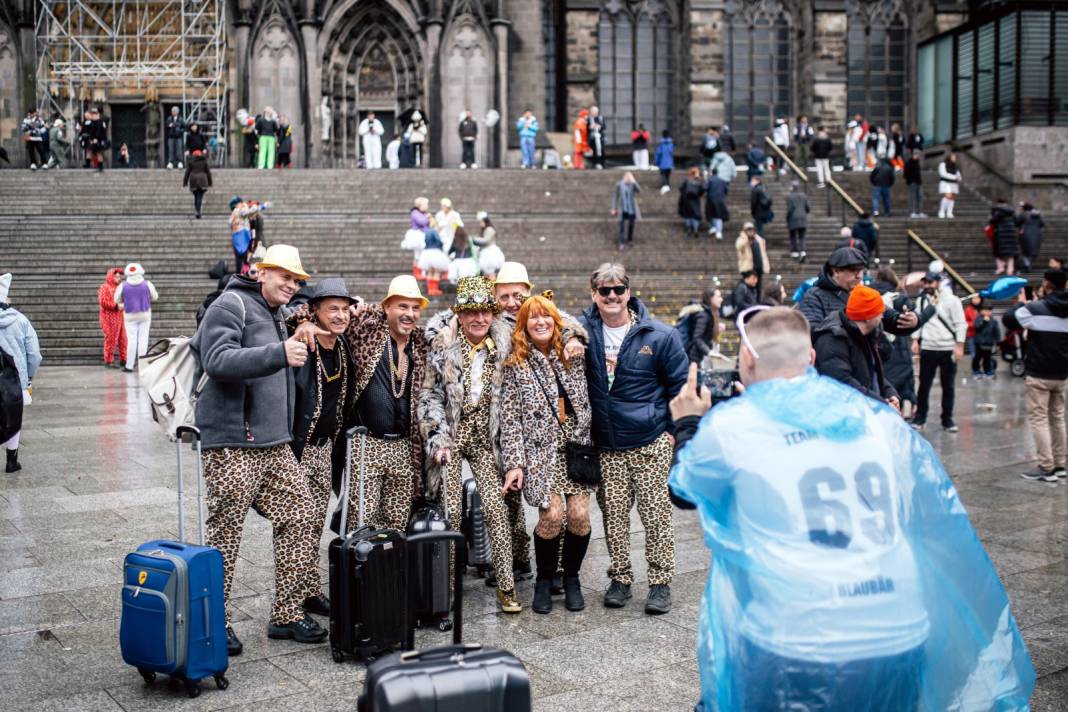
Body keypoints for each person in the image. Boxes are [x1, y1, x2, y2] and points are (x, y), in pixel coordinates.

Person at [667, 307, 1035, 712]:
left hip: (797, 636)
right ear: (810, 358)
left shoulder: (735, 425)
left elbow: (685, 490)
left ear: (748, 359)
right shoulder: (875, 417)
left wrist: (687, 422)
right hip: (901, 624)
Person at [191, 245, 326, 654]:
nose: (291, 284)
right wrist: (278, 353)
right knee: (225, 535)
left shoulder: (279, 312)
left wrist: (300, 326)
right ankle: (215, 621)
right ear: (260, 271)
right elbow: (216, 360)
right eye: (283, 275)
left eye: (296, 279)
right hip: (232, 442)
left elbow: (309, 312)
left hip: (274, 443)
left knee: (301, 514)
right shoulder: (229, 304)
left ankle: (285, 613)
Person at [579, 263, 688, 614]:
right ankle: (621, 578)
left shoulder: (658, 335)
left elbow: (680, 386)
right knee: (613, 517)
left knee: (655, 515)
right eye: (604, 291)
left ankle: (660, 583)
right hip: (607, 444)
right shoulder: (581, 332)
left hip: (649, 441)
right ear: (593, 294)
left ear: (629, 292)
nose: (612, 296)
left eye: (618, 290)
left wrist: (673, 430)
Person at [419, 276, 523, 613]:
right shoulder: (442, 346)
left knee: (495, 509)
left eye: (484, 312)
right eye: (471, 313)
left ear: (493, 313)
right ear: (460, 315)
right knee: (448, 514)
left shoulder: (505, 344)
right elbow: (429, 395)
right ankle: (446, 589)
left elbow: (552, 320)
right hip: (452, 433)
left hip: (484, 437)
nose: (478, 319)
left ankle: (506, 586)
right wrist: (438, 439)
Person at [295, 275, 430, 534]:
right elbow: (310, 308)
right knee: (361, 523)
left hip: (404, 448)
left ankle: (388, 574)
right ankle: (358, 574)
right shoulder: (364, 327)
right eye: (402, 306)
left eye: (415, 308)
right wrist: (304, 323)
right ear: (386, 307)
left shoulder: (423, 342)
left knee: (396, 525)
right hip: (366, 444)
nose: (409, 314)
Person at [500, 295, 594, 614]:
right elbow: (510, 419)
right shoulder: (517, 363)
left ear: (556, 321)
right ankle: (544, 579)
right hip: (541, 455)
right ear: (523, 325)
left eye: (547, 317)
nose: (540, 322)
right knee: (552, 516)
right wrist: (515, 464)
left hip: (576, 449)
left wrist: (574, 338)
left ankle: (571, 579)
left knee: (579, 517)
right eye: (533, 318)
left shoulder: (572, 352)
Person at [287, 279, 355, 617]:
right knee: (297, 524)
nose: (340, 315)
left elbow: (372, 313)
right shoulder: (301, 340)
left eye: (344, 309)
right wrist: (301, 321)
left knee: (314, 523)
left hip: (327, 448)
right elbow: (286, 312)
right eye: (333, 309)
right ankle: (288, 602)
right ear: (315, 311)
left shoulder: (343, 345)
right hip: (299, 448)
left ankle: (309, 589)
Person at [1003, 270, 1068, 482]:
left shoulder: (1035, 309)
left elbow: (1009, 320)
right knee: (1057, 417)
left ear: (1047, 284)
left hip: (1039, 373)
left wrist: (1022, 303)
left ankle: (1046, 466)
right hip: (1061, 373)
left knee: (1039, 418)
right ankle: (1059, 464)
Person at [798, 245, 919, 338]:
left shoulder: (863, 292)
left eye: (861, 271)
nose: (859, 276)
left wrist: (911, 321)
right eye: (853, 271)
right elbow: (812, 331)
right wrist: (855, 326)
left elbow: (890, 319)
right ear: (835, 271)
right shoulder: (814, 295)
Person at [814, 285, 900, 408]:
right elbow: (842, 383)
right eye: (879, 312)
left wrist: (889, 392)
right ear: (867, 317)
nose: (882, 316)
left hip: (863, 410)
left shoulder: (868, 333)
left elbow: (872, 371)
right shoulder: (833, 338)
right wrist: (882, 404)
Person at [911, 271, 967, 432]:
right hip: (928, 347)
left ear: (938, 282)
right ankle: (920, 417)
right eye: (925, 283)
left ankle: (947, 419)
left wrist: (960, 345)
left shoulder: (952, 300)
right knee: (924, 385)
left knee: (948, 385)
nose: (927, 285)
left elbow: (960, 323)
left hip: (947, 348)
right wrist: (915, 339)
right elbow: (919, 321)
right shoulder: (922, 300)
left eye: (930, 282)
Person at [0, 274, 41, 473]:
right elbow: (34, 355)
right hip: (14, 381)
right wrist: (29, 377)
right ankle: (11, 460)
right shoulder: (21, 320)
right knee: (13, 418)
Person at [114, 263, 158, 373]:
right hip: (144, 314)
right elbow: (155, 297)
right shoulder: (147, 284)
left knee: (131, 341)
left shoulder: (123, 285)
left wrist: (125, 301)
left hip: (129, 315)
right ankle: (142, 365)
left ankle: (129, 365)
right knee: (143, 340)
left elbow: (116, 300)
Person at [229, 197, 269, 275]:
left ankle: (241, 273)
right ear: (237, 204)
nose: (243, 204)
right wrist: (263, 206)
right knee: (244, 257)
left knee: (240, 258)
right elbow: (250, 211)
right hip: (242, 237)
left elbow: (230, 222)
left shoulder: (234, 213)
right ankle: (242, 273)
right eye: (241, 203)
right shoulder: (239, 211)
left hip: (237, 237)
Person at [97, 267, 127, 368]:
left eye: (119, 276)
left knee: (123, 339)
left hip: (120, 316)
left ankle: (124, 359)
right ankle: (108, 361)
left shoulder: (121, 287)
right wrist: (116, 306)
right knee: (111, 338)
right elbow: (103, 302)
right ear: (111, 277)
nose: (119, 278)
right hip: (108, 317)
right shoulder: (104, 287)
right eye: (116, 276)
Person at [684, 287, 722, 364]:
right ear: (710, 298)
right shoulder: (703, 315)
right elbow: (697, 337)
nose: (721, 299)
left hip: (697, 357)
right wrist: (708, 352)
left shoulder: (709, 313)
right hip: (693, 358)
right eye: (718, 297)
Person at [735, 222, 770, 297]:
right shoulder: (741, 240)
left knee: (758, 288)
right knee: (748, 287)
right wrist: (746, 239)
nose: (750, 231)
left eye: (752, 229)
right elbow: (739, 246)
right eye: (748, 229)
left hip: (758, 267)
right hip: (748, 268)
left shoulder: (758, 240)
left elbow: (763, 251)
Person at [611, 171, 641, 251]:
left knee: (631, 224)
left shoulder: (632, 184)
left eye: (629, 177)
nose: (628, 178)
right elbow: (615, 196)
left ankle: (630, 239)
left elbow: (639, 190)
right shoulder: (619, 184)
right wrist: (614, 208)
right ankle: (621, 242)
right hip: (622, 208)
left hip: (631, 209)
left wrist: (634, 181)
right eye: (627, 177)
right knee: (621, 226)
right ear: (624, 177)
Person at [971, 301, 1000, 379]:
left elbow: (996, 332)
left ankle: (988, 371)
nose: (987, 312)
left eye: (989, 310)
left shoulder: (994, 321)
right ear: (981, 310)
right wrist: (984, 322)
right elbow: (977, 328)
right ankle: (976, 371)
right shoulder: (978, 318)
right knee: (977, 357)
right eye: (985, 310)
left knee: (987, 358)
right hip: (979, 343)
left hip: (988, 343)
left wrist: (997, 343)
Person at [989, 198, 1018, 276]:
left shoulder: (998, 211)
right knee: (1010, 253)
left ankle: (1000, 267)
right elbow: (1016, 221)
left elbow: (992, 221)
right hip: (1011, 234)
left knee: (998, 252)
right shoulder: (1011, 211)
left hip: (1000, 234)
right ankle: (1010, 269)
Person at [183, 149, 213, 219]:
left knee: (196, 197)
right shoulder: (204, 161)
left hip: (193, 180)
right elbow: (208, 172)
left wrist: (185, 182)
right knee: (200, 196)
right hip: (202, 180)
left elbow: (187, 172)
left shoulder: (191, 161)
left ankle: (197, 210)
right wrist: (210, 182)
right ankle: (198, 211)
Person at [1016, 203, 1045, 273]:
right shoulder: (1038, 215)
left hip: (1025, 235)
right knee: (1033, 251)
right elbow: (1042, 224)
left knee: (1025, 251)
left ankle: (1027, 265)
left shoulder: (1023, 214)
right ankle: (1028, 264)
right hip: (1036, 234)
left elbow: (1016, 222)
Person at [474, 211, 505, 278]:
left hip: (490, 253)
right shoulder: (485, 230)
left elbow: (486, 240)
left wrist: (474, 240)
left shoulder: (490, 229)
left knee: (491, 274)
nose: (480, 224)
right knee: (486, 275)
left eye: (481, 222)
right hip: (485, 253)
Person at [785, 181, 809, 261]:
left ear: (792, 187)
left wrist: (787, 218)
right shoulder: (803, 195)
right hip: (802, 219)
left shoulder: (790, 196)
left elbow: (790, 209)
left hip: (793, 218)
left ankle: (795, 252)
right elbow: (807, 208)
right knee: (801, 237)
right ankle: (802, 252)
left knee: (793, 236)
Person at [678, 167, 704, 239]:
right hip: (695, 200)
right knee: (696, 215)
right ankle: (695, 229)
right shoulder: (699, 181)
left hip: (686, 200)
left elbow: (681, 188)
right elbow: (702, 190)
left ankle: (689, 228)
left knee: (688, 215)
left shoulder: (686, 180)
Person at [704, 168, 729, 240]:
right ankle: (719, 231)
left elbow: (705, 188)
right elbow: (726, 190)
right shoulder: (722, 180)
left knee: (711, 214)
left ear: (711, 173)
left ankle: (713, 227)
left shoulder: (710, 180)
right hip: (720, 200)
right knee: (719, 215)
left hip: (711, 200)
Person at [937, 152, 962, 218]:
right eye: (953, 157)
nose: (954, 158)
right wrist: (954, 177)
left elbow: (958, 174)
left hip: (954, 184)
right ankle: (942, 211)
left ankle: (949, 212)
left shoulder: (955, 166)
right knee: (948, 196)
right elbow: (943, 174)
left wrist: (959, 178)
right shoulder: (943, 164)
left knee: (952, 197)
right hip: (946, 183)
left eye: (955, 157)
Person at [85, 107, 108, 172]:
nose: (93, 115)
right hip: (94, 140)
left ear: (97, 114)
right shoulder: (92, 122)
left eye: (94, 114)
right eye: (92, 114)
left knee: (98, 153)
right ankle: (89, 164)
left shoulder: (100, 122)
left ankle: (100, 166)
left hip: (99, 140)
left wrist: (96, 139)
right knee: (91, 151)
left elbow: (99, 132)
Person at [905, 149, 925, 218]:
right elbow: (906, 173)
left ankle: (919, 211)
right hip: (912, 182)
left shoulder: (917, 162)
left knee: (920, 197)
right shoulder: (909, 162)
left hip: (918, 182)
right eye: (917, 154)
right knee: (912, 197)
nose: (918, 156)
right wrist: (909, 180)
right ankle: (912, 212)